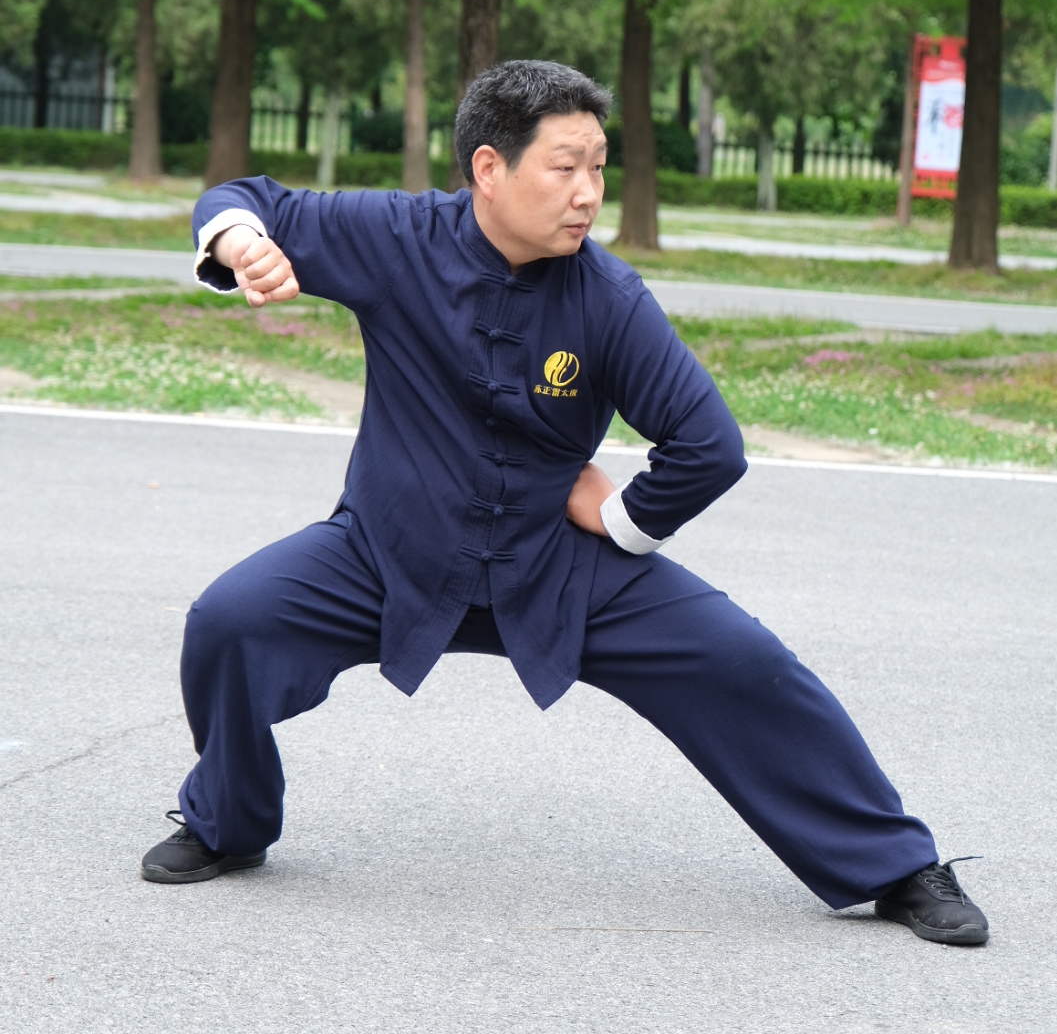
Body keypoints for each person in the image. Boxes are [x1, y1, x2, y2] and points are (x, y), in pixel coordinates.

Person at [141, 60, 988, 947]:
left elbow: (709, 448)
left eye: (599, 167)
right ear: (488, 170)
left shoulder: (610, 299)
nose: (588, 194)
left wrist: (621, 521)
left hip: (561, 565)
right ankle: (226, 824)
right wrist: (241, 245)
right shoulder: (396, 239)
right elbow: (240, 198)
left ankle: (897, 867)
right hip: (388, 550)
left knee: (748, 664)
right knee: (231, 621)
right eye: (565, 167)